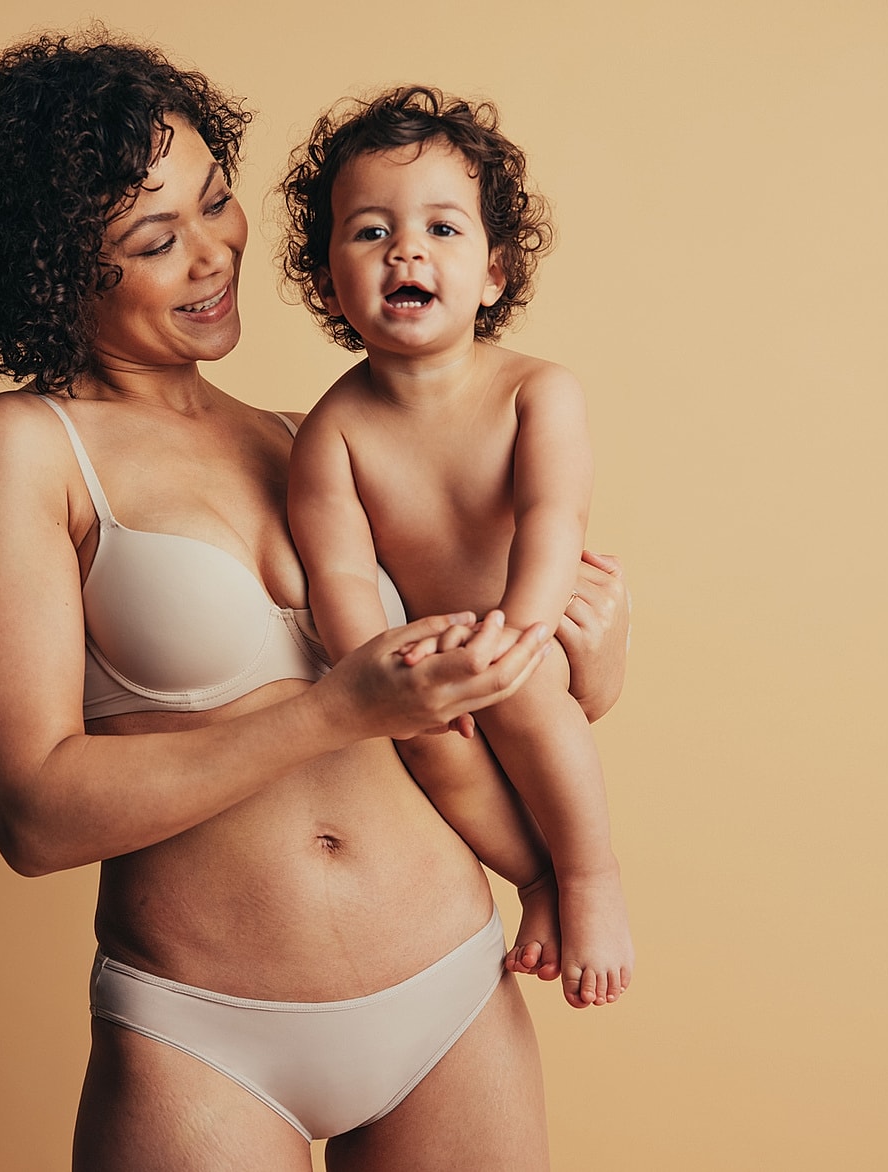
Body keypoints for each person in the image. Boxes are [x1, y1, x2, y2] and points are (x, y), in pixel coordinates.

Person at [0, 32, 629, 1169]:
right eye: (153, 240)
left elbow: (474, 699)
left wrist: (593, 663)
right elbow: (34, 814)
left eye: (216, 200)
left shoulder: (317, 437)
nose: (211, 254)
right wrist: (334, 710)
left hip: (453, 994)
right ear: (52, 271)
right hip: (207, 1035)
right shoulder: (23, 450)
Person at [280, 87, 634, 1009]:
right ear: (327, 283)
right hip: (428, 652)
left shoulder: (536, 392)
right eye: (370, 232)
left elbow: (555, 516)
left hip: (532, 628)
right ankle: (536, 878)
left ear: (492, 274)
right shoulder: (332, 433)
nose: (406, 251)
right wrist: (377, 672)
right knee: (428, 747)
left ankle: (590, 879)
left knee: (522, 692)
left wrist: (520, 629)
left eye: (442, 228)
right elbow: (339, 570)